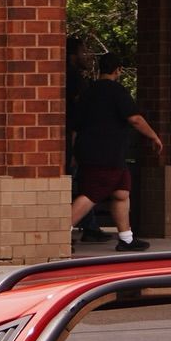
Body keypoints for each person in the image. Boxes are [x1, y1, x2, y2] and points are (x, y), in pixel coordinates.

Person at [69, 53, 163, 252]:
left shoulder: (88, 91)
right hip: (106, 153)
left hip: (94, 151)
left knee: (121, 192)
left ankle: (126, 238)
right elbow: (135, 119)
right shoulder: (116, 91)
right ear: (118, 70)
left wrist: (74, 152)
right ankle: (58, 235)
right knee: (92, 193)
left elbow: (75, 127)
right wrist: (154, 136)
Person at [66, 37, 105, 241]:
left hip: (73, 135)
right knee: (75, 181)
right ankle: (72, 228)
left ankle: (89, 226)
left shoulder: (71, 76)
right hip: (72, 137)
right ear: (73, 54)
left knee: (80, 182)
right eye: (83, 51)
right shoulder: (74, 79)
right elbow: (80, 112)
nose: (87, 56)